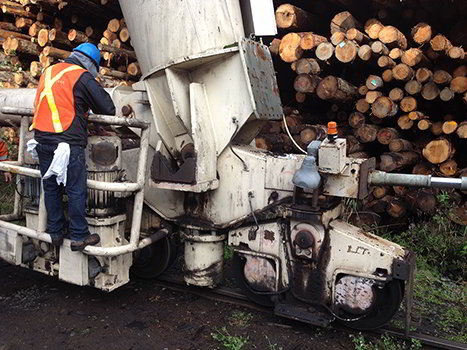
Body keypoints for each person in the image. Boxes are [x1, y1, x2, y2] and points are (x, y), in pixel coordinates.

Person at [31, 43, 116, 251]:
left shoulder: (49, 71)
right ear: (91, 63)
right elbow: (108, 107)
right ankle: (79, 235)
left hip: (42, 140)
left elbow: (63, 104)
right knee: (76, 189)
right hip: (67, 144)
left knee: (51, 188)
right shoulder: (80, 75)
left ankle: (56, 232)